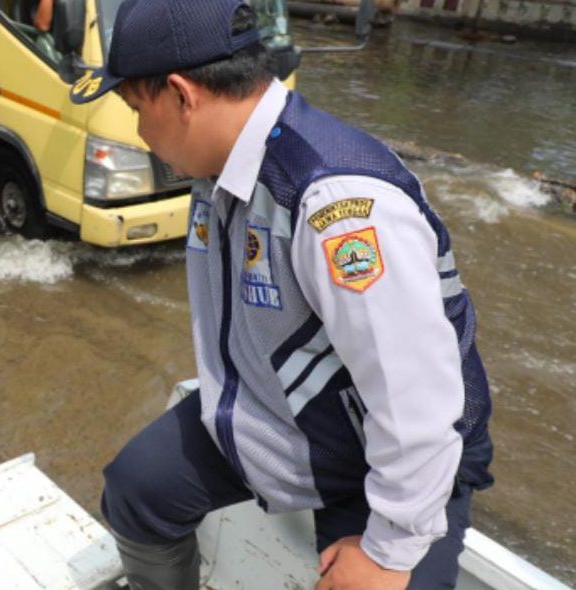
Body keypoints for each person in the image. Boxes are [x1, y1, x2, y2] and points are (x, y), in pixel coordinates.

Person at [69, 1, 493, 589]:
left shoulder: (334, 204)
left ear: (182, 95)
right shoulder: (222, 169)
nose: (140, 132)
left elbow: (417, 398)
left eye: (137, 109)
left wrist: (387, 550)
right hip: (273, 414)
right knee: (137, 490)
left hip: (381, 455)